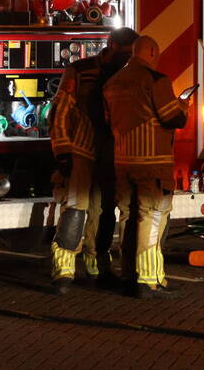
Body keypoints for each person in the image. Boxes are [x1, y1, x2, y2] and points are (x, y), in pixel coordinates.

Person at [48, 27, 138, 294]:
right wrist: (63, 152)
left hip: (113, 153)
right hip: (82, 150)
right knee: (76, 208)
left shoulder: (132, 76)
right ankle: (63, 271)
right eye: (122, 53)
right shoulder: (80, 71)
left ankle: (98, 265)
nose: (125, 60)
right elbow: (60, 112)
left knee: (103, 211)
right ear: (110, 46)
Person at [103, 35, 189, 298]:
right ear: (151, 51)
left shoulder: (112, 83)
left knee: (128, 218)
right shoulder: (156, 80)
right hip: (153, 163)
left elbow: (108, 121)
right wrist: (183, 106)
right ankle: (149, 280)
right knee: (151, 218)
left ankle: (128, 275)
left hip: (123, 161)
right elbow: (171, 117)